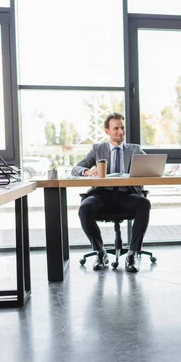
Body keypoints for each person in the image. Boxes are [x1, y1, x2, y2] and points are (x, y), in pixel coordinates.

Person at [72, 113, 152, 273]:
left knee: (144, 203)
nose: (120, 132)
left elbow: (149, 167)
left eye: (122, 128)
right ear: (107, 131)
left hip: (126, 195)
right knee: (84, 208)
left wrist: (148, 171)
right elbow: (77, 168)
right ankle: (100, 252)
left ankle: (132, 253)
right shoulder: (97, 149)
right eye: (116, 128)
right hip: (102, 195)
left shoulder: (134, 149)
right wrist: (88, 171)